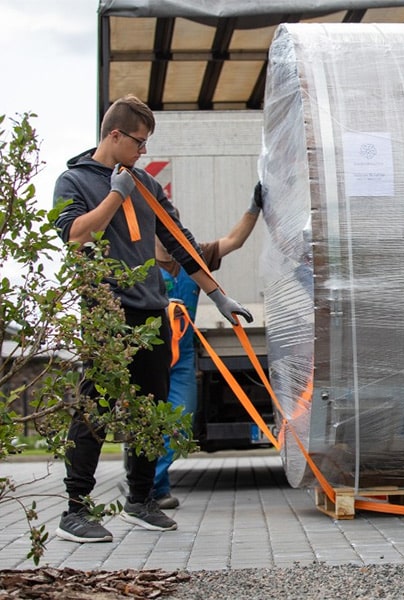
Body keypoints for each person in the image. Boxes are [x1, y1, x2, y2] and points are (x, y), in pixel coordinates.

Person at [53, 94, 253, 543]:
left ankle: (141, 501)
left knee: (151, 412)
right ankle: (75, 510)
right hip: (108, 316)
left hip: (152, 314)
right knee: (94, 411)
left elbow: (180, 242)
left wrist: (219, 296)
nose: (144, 152)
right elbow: (75, 235)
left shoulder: (147, 184)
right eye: (139, 143)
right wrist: (113, 195)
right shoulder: (73, 181)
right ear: (115, 135)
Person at [152, 183, 263, 509]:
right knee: (149, 423)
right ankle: (153, 490)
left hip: (183, 358)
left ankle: (154, 485)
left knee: (180, 420)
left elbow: (234, 241)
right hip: (151, 356)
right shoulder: (140, 261)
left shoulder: (195, 257)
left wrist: (253, 206)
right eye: (164, 227)